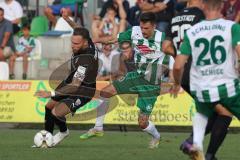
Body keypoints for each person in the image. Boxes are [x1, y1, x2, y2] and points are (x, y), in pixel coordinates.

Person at [80, 12, 174, 149]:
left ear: (154, 26)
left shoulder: (162, 38)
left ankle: (156, 136)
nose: (143, 31)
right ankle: (98, 128)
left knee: (142, 123)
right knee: (105, 92)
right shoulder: (135, 32)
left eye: (147, 28)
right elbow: (114, 39)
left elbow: (176, 54)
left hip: (151, 85)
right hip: (136, 77)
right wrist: (99, 40)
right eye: (142, 27)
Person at [171, 0, 240, 159]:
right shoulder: (232, 27)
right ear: (222, 5)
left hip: (201, 87)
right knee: (225, 114)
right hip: (226, 86)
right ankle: (206, 153)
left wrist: (176, 83)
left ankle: (195, 143)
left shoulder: (193, 31)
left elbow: (177, 66)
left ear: (204, 6)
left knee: (205, 113)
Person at [34, 27, 98, 147]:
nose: (72, 46)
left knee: (55, 112)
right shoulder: (88, 41)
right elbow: (80, 30)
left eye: (76, 43)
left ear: (85, 42)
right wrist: (67, 19)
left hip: (83, 90)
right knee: (49, 106)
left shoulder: (85, 60)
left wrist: (51, 93)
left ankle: (63, 132)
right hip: (71, 80)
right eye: (72, 42)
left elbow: (75, 86)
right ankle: (47, 139)